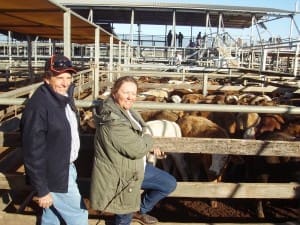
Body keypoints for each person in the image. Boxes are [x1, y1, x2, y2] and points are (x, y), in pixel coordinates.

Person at [90, 76, 177, 225]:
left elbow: (142, 130)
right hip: (122, 174)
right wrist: (148, 141)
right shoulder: (112, 120)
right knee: (123, 217)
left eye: (134, 93)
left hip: (137, 167)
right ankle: (128, 215)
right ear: (115, 93)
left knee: (168, 183)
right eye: (126, 92)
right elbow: (137, 149)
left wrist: (146, 143)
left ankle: (139, 210)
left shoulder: (127, 110)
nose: (130, 97)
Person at [20, 54, 88, 225]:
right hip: (55, 174)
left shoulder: (63, 98)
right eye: (59, 77)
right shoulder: (39, 106)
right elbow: (32, 151)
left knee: (52, 217)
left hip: (64, 167)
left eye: (69, 77)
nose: (65, 82)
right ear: (47, 79)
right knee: (78, 215)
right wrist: (42, 190)